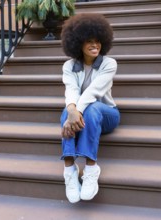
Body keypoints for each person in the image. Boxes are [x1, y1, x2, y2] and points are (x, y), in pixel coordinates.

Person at [60, 13, 120, 203]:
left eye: (98, 41)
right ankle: (69, 169)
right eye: (89, 41)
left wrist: (75, 111)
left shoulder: (109, 64)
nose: (95, 45)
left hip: (108, 114)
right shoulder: (69, 66)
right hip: (83, 114)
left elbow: (93, 92)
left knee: (91, 107)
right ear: (78, 43)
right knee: (66, 111)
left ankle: (91, 168)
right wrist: (71, 110)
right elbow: (71, 89)